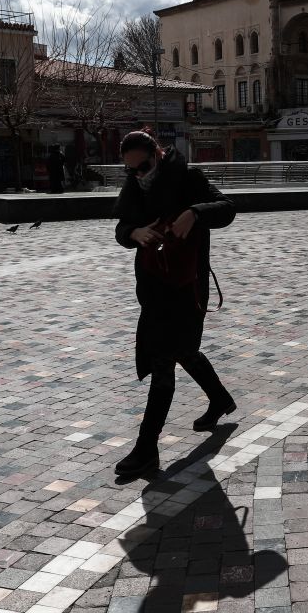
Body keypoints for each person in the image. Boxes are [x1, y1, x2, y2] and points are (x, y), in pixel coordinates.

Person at [113, 130, 237, 477]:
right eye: (132, 170)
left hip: (186, 286)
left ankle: (146, 448)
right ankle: (221, 400)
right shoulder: (136, 185)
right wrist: (134, 233)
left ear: (158, 153)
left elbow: (228, 208)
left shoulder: (188, 178)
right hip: (153, 287)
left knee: (164, 360)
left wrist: (195, 212)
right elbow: (122, 226)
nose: (139, 174)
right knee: (182, 350)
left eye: (144, 165)